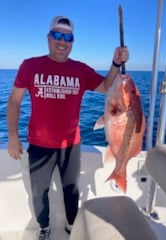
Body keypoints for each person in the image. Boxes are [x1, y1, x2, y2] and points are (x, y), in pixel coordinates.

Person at [7, 16, 129, 240]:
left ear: (72, 41)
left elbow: (106, 87)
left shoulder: (80, 70)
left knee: (71, 191)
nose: (62, 41)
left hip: (71, 145)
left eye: (68, 37)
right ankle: (43, 228)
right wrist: (13, 137)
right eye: (57, 35)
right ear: (48, 37)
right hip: (39, 144)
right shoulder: (30, 66)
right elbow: (14, 102)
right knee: (38, 193)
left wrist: (115, 64)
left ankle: (72, 227)